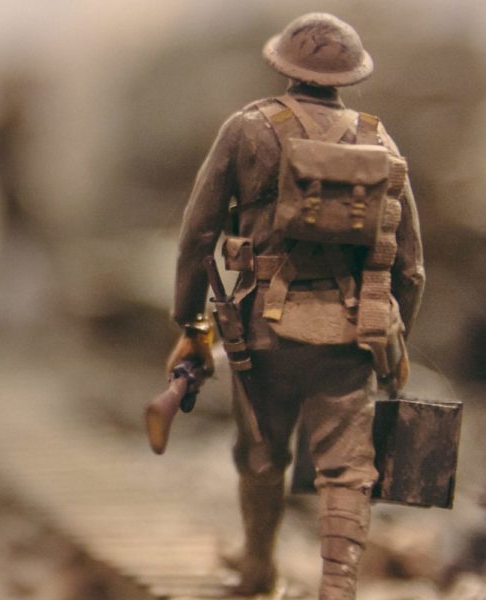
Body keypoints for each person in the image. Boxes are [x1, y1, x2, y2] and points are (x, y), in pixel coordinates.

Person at [166, 13, 425, 599]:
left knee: (260, 452)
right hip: (351, 330)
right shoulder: (378, 139)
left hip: (263, 329)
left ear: (282, 64)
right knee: (348, 470)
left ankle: (259, 567)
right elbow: (411, 265)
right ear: (349, 76)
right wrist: (393, 336)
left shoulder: (247, 129)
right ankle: (338, 587)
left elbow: (196, 236)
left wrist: (192, 323)